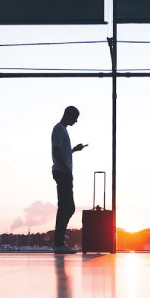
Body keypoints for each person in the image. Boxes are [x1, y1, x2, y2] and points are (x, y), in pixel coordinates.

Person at [51, 106, 87, 254]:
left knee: (66, 207)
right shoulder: (59, 129)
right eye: (75, 117)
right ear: (68, 114)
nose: (76, 120)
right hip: (62, 172)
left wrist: (73, 150)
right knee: (66, 207)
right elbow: (56, 152)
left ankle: (59, 240)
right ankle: (58, 242)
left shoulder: (62, 130)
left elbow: (62, 151)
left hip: (63, 171)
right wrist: (66, 168)